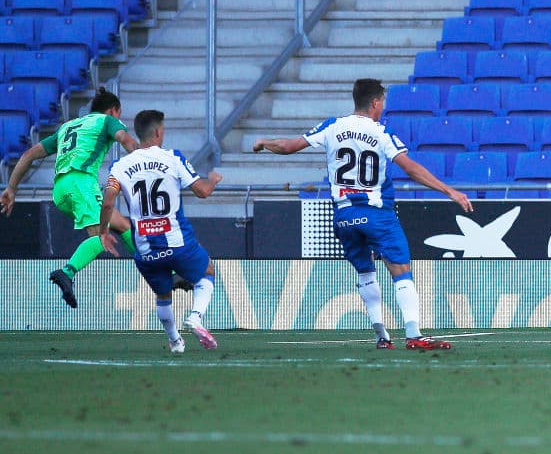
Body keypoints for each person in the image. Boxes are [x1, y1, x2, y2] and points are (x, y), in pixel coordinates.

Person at [252, 78, 474, 351]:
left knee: (365, 272)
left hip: (344, 216)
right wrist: (449, 191)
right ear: (375, 103)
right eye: (383, 103)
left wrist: (264, 142)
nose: (383, 108)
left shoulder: (332, 126)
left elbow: (288, 147)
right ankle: (414, 334)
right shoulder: (381, 133)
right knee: (400, 270)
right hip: (376, 213)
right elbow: (412, 169)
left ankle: (382, 336)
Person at [1, 87, 139, 309]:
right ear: (114, 110)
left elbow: (28, 155)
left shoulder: (67, 127)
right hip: (81, 183)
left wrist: (11, 188)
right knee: (100, 237)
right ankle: (67, 272)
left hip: (61, 191)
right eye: (119, 114)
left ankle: (152, 267)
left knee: (121, 224)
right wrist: (147, 160)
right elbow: (127, 141)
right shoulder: (107, 121)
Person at [100, 110, 222, 352]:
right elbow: (203, 192)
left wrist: (104, 231)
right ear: (157, 132)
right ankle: (196, 317)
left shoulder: (119, 166)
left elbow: (108, 201)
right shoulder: (173, 158)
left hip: (145, 249)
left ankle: (176, 341)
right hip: (177, 242)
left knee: (163, 295)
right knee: (207, 270)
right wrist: (213, 179)